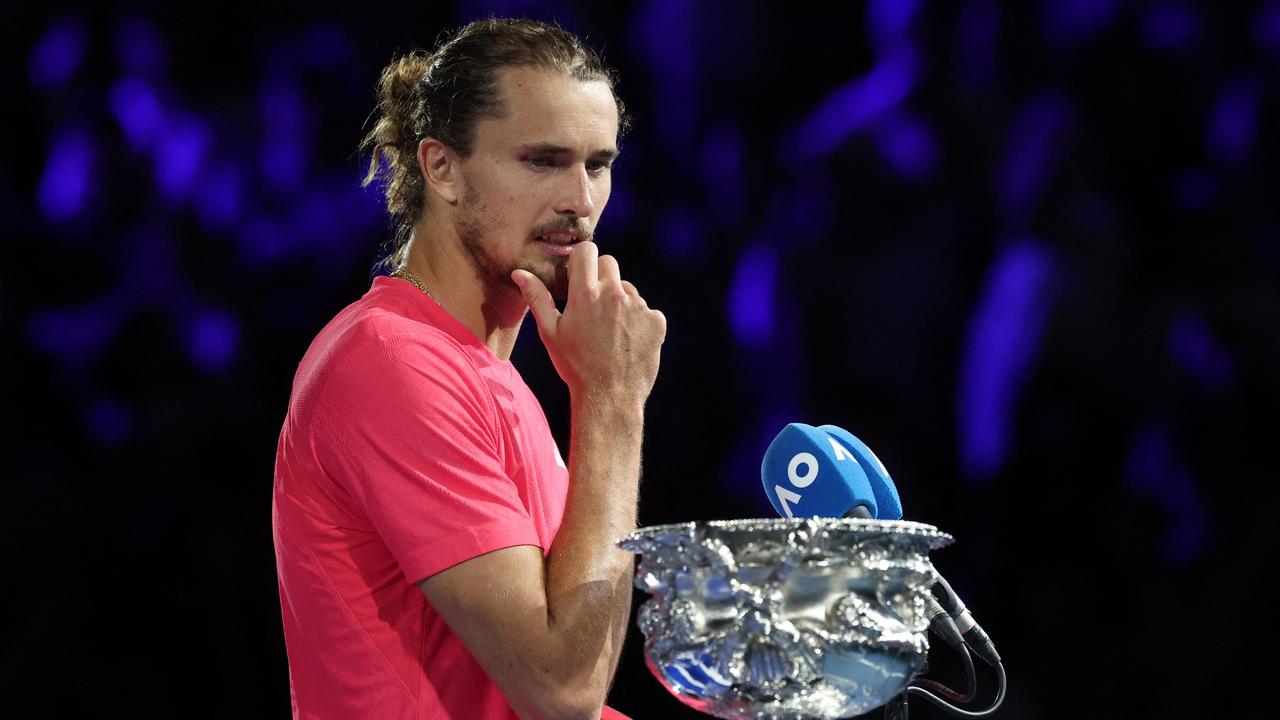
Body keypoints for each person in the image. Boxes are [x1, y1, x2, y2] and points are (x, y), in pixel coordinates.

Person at [271, 18, 665, 720]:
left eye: (597, 164)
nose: (581, 201)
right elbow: (562, 692)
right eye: (542, 160)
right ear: (441, 168)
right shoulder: (392, 365)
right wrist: (613, 399)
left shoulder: (486, 372)